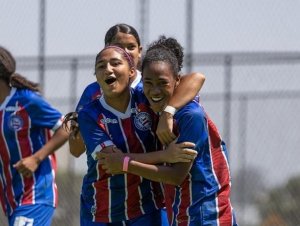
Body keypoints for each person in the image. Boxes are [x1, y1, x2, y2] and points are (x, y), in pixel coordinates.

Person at [99, 37, 238, 226]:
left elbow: (176, 175)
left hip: (206, 215)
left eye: (162, 83)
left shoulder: (190, 115)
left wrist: (124, 163)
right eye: (149, 83)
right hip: (182, 213)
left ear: (177, 80)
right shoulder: (154, 106)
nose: (155, 90)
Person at [76, 45, 204, 226]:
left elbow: (196, 78)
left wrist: (167, 112)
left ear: (132, 72)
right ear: (96, 77)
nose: (108, 69)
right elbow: (113, 162)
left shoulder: (147, 96)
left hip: (147, 207)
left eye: (115, 63)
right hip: (102, 209)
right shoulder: (89, 114)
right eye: (101, 66)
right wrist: (164, 155)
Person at [65, 23, 204, 158]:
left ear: (140, 51)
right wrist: (81, 127)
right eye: (118, 47)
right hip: (107, 177)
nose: (125, 52)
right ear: (107, 49)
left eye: (131, 47)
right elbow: (76, 151)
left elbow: (196, 78)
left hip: (152, 176)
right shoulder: (93, 92)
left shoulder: (150, 85)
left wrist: (167, 113)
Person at [0, 46, 69, 226]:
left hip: (36, 194)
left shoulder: (26, 100)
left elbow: (66, 127)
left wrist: (36, 158)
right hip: (11, 199)